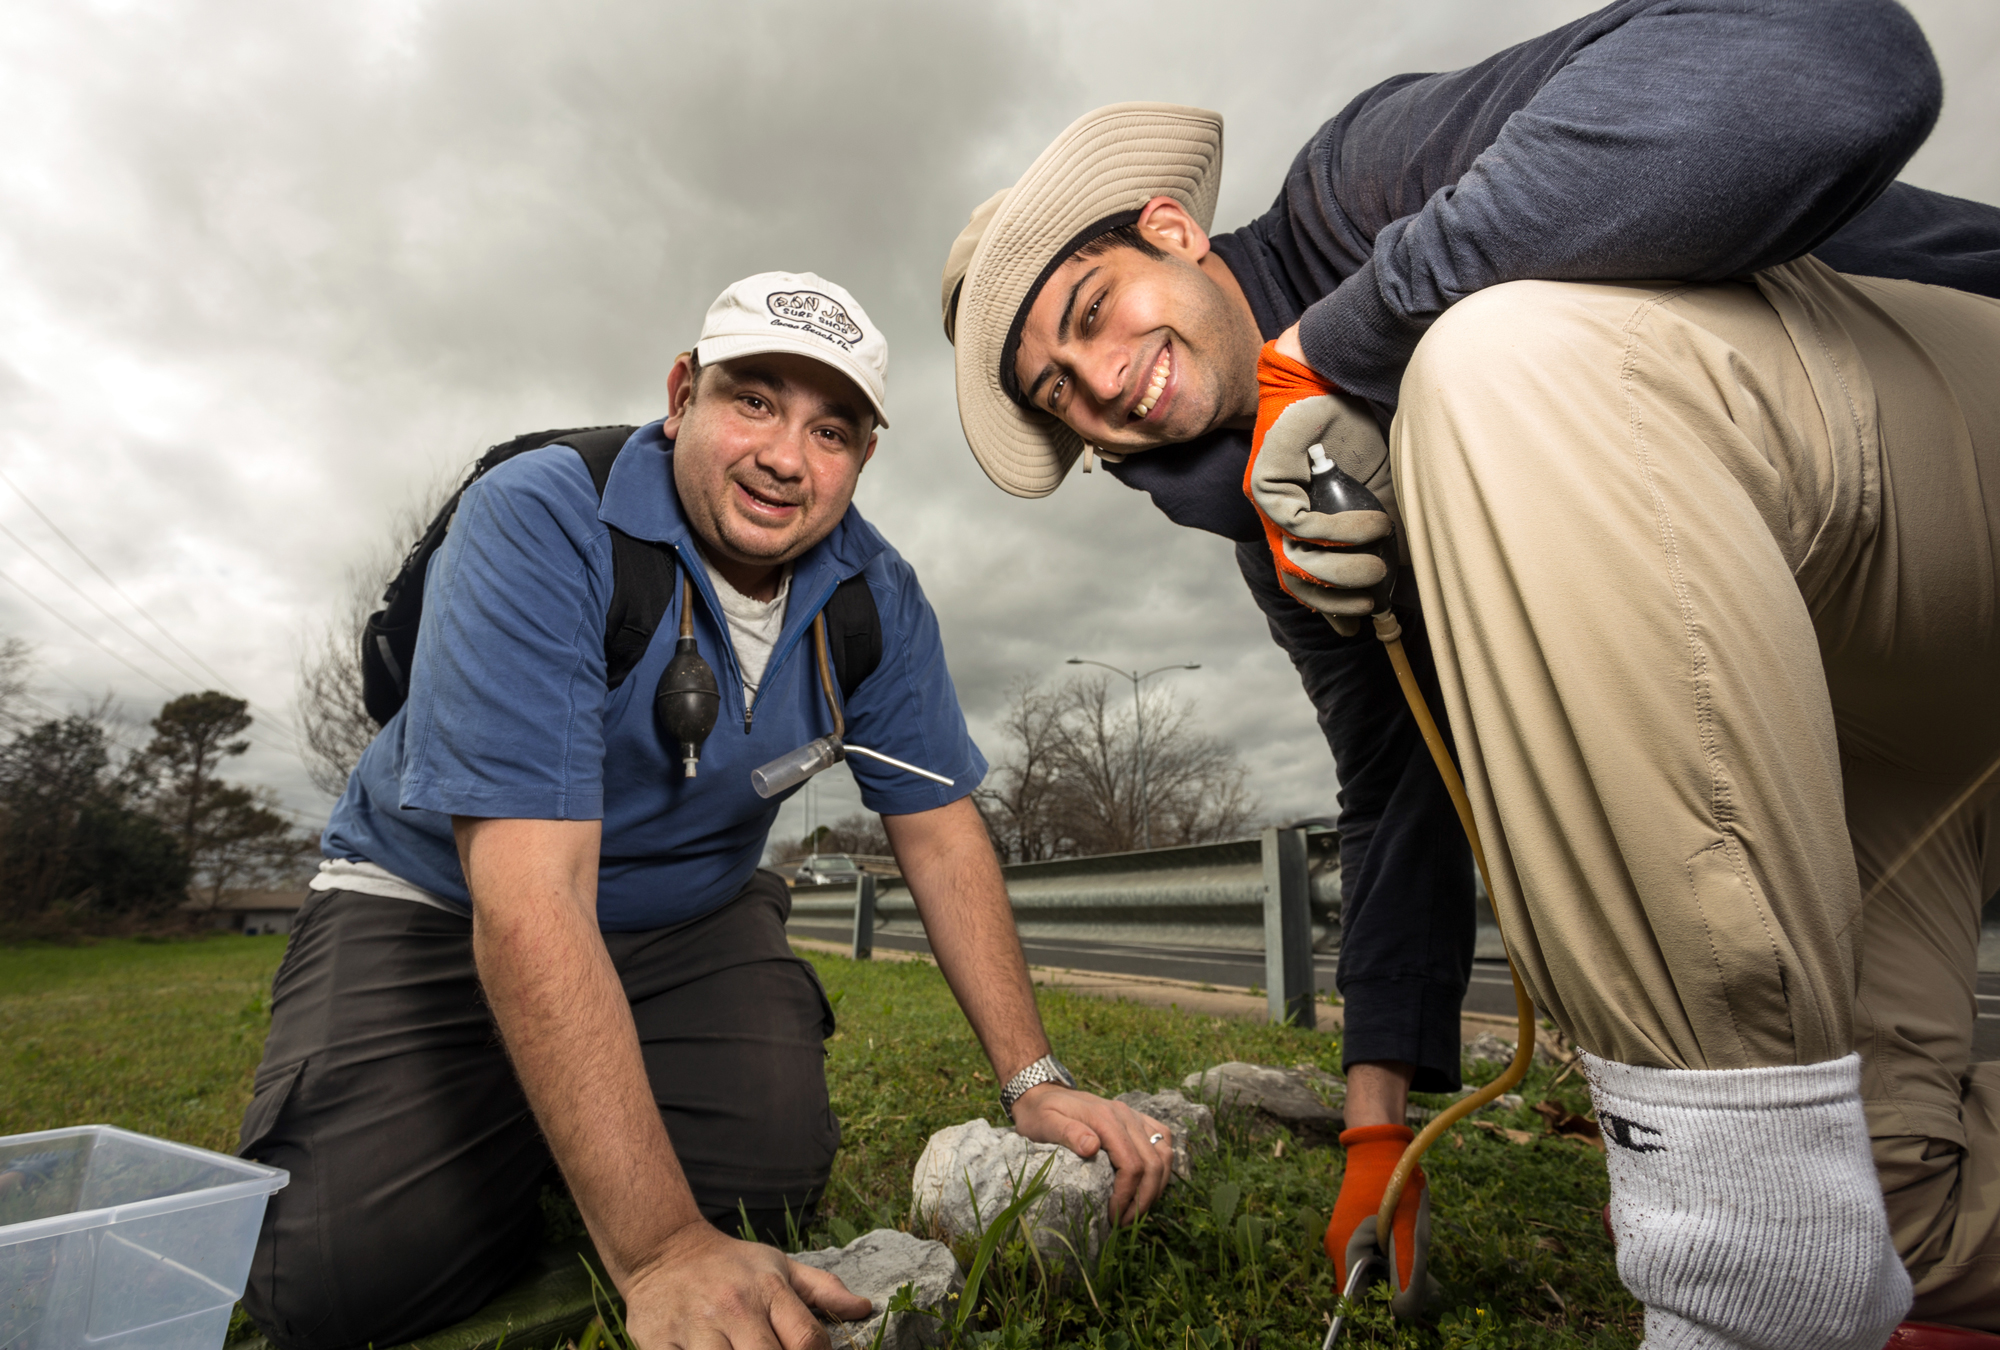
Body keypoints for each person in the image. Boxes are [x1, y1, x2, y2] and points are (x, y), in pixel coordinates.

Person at [940, 2, 2000, 1345]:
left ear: (1170, 230)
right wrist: (1381, 1132)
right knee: (1887, 1207)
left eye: (1093, 314)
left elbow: (1832, 59)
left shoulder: (1363, 183)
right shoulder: (1291, 531)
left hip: (1941, 489)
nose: (1106, 385)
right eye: (1061, 394)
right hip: (1877, 751)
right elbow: (1395, 793)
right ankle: (1798, 1229)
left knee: (1489, 361)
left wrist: (1346, 342)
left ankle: (1740, 1282)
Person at [239, 272, 1175, 1350]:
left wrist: (1034, 1080)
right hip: (443, 900)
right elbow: (531, 897)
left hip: (684, 915)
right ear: (681, 393)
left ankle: (567, 1109)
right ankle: (512, 1108)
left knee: (761, 1185)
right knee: (336, 1282)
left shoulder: (875, 596)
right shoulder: (541, 515)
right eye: (753, 401)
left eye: (831, 430)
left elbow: (938, 825)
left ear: (863, 457)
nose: (786, 457)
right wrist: (656, 1250)